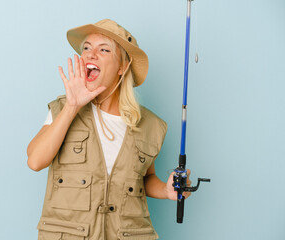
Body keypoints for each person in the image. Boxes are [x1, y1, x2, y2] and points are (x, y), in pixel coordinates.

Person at [27, 19, 192, 240]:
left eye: (103, 49)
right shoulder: (62, 109)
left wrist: (166, 190)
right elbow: (35, 161)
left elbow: (145, 178)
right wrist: (72, 106)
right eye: (86, 48)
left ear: (122, 67)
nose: (90, 54)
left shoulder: (150, 125)